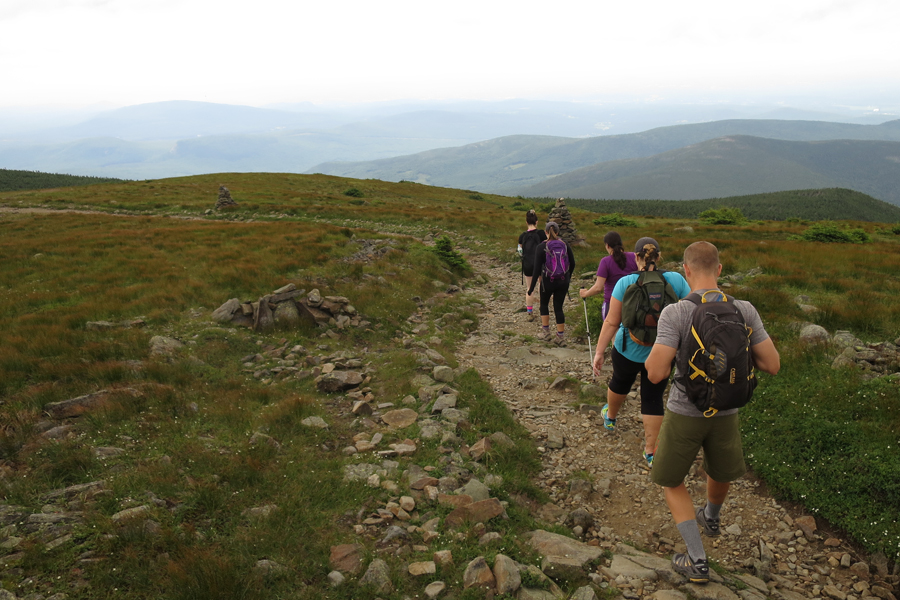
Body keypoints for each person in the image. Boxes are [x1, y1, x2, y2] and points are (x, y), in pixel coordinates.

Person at [645, 241, 780, 584]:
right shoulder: (744, 309)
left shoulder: (676, 312)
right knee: (720, 470)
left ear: (686, 271)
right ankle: (712, 517)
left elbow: (656, 373)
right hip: (727, 409)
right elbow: (773, 365)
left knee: (672, 479)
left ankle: (696, 558)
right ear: (719, 270)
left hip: (684, 411)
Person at [591, 237, 690, 466]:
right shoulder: (675, 279)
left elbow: (612, 322)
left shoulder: (626, 283)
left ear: (636, 257)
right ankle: (651, 451)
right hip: (663, 353)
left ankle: (611, 417)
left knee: (619, 382)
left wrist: (599, 352)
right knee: (653, 397)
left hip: (627, 349)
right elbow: (691, 311)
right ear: (660, 255)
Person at [527, 221, 575, 346]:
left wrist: (531, 288)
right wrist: (567, 277)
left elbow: (536, 269)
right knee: (558, 308)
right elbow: (573, 263)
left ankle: (546, 332)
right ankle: (560, 337)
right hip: (563, 281)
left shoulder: (541, 247)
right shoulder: (565, 244)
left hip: (547, 281)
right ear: (558, 232)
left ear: (546, 232)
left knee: (544, 304)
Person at [579, 231, 638, 319]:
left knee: (611, 330)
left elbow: (598, 288)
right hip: (633, 302)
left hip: (612, 303)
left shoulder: (605, 262)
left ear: (607, 246)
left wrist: (585, 294)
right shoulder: (634, 257)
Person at [518, 210, 548, 322]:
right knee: (542, 285)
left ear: (526, 222)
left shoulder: (522, 236)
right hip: (540, 264)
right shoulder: (541, 234)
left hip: (527, 265)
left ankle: (529, 312)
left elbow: (520, 250)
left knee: (529, 288)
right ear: (537, 222)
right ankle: (542, 309)